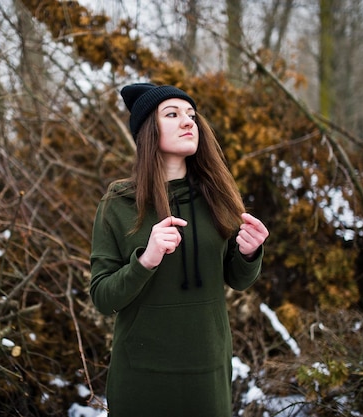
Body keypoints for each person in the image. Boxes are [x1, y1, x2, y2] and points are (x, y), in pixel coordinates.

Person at [89, 83, 269, 417]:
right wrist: (146, 260)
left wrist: (249, 253)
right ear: (147, 132)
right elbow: (103, 297)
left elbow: (237, 280)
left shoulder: (218, 196)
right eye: (172, 115)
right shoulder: (119, 203)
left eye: (191, 115)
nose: (188, 122)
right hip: (140, 376)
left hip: (207, 372)